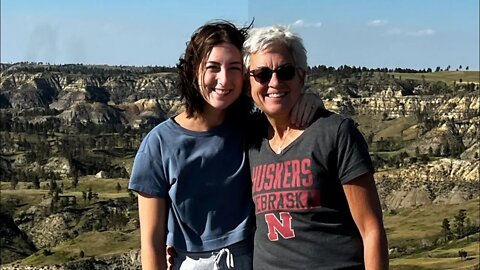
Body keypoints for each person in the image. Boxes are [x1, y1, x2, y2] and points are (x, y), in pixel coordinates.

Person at [128, 21, 322, 270]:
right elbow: (152, 244)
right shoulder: (159, 144)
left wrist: (310, 100)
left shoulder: (253, 130)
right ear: (192, 71)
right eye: (213, 67)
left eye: (234, 68)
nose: (224, 79)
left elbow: (285, 115)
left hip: (251, 259)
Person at [244, 25, 389, 269]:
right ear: (248, 82)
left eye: (286, 72)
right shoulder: (248, 136)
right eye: (262, 74)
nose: (275, 82)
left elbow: (371, 230)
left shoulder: (335, 133)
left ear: (302, 76)